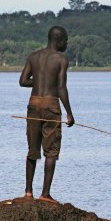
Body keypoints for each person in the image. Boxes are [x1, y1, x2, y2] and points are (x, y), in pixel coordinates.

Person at [19, 26, 75, 204]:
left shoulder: (34, 56)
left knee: (32, 149)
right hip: (51, 105)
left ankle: (28, 192)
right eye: (65, 40)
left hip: (34, 103)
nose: (66, 43)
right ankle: (45, 194)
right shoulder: (61, 59)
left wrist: (39, 82)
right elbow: (61, 88)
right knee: (51, 151)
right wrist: (69, 113)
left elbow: (23, 81)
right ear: (58, 40)